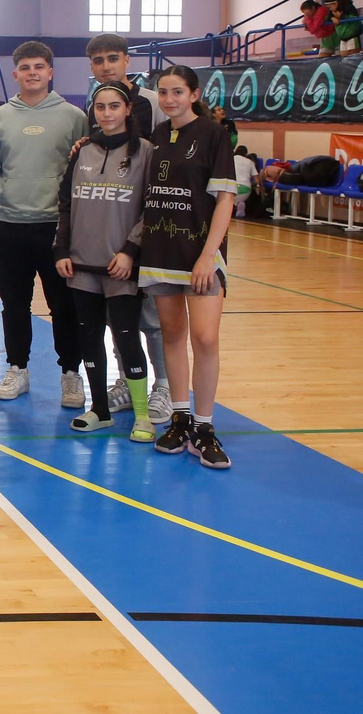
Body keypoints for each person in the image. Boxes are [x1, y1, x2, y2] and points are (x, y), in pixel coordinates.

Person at [140, 65, 237, 470]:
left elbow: (226, 201)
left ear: (194, 94)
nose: (168, 99)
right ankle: (180, 419)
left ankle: (205, 425)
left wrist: (207, 255)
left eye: (177, 92)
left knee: (205, 338)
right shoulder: (158, 136)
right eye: (163, 92)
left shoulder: (214, 135)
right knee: (173, 336)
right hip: (161, 250)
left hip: (199, 255)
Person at [0, 42, 88, 405]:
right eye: (25, 67)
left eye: (39, 67)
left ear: (50, 72)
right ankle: (17, 368)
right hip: (12, 224)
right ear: (15, 73)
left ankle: (71, 373)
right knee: (14, 304)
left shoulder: (74, 116)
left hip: (57, 229)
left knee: (64, 305)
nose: (32, 72)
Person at [54, 83, 155, 439]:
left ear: (128, 109)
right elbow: (66, 204)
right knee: (89, 338)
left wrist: (130, 250)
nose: (107, 113)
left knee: (128, 339)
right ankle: (99, 408)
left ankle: (142, 415)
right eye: (100, 107)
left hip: (121, 266)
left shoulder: (146, 152)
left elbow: (149, 210)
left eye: (114, 106)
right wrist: (62, 250)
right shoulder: (83, 151)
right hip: (82, 264)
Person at [84, 33, 169, 418]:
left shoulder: (153, 103)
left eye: (113, 58)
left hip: (147, 224)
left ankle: (164, 386)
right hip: (111, 224)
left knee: (152, 315)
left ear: (128, 60)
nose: (106, 66)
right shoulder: (96, 106)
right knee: (118, 316)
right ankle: (125, 379)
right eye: (99, 60)